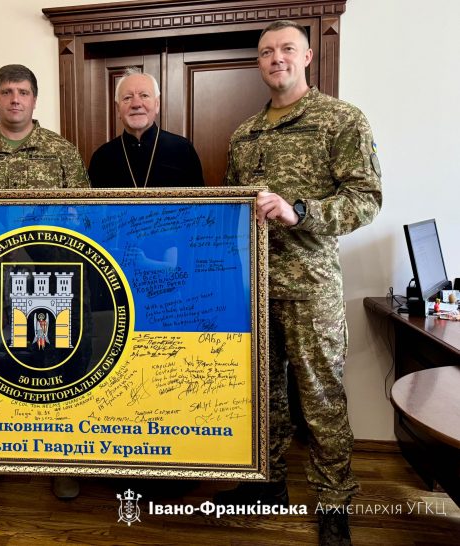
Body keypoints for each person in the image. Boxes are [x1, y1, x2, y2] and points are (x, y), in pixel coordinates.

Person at [215, 20, 382, 546]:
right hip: (254, 289)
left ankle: (334, 502)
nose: (277, 58)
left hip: (311, 287)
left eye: (287, 49)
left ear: (307, 57)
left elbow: (366, 200)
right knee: (262, 395)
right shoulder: (244, 134)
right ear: (259, 63)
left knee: (321, 398)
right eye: (267, 51)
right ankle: (267, 483)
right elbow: (230, 208)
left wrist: (300, 211)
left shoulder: (341, 120)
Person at [0, 64, 89, 500]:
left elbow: (84, 217)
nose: (15, 99)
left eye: (23, 92)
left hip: (50, 281)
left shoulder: (62, 153)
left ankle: (60, 461)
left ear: (34, 99)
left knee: (54, 366)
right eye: (7, 92)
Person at [88, 68, 204, 188]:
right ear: (118, 109)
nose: (136, 104)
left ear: (157, 105)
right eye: (127, 98)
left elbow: (200, 200)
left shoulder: (183, 150)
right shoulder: (101, 158)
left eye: (144, 95)